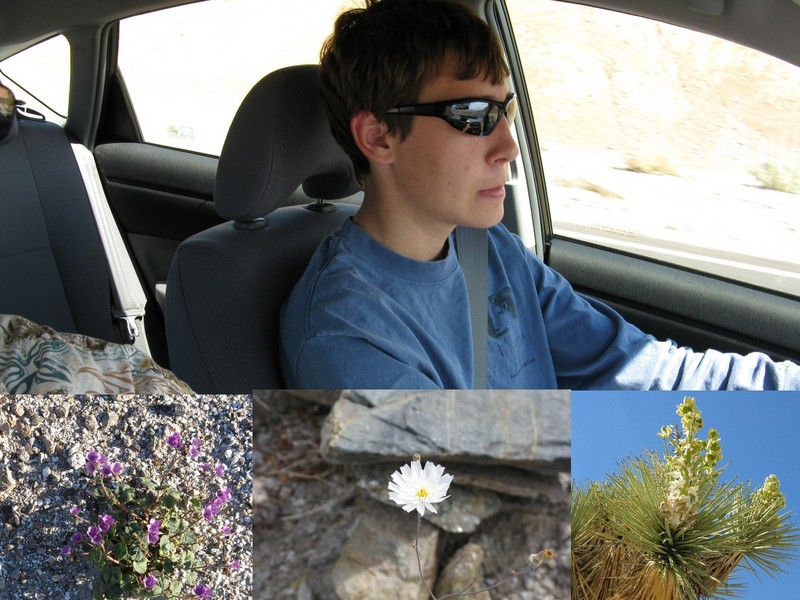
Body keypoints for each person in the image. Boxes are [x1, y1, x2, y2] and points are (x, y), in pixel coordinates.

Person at [279, 0, 799, 390]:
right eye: (474, 118)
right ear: (379, 136)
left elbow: (637, 367)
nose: (509, 146)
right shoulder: (346, 335)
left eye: (503, 112)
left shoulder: (488, 249)